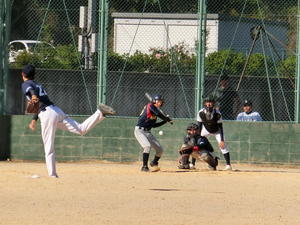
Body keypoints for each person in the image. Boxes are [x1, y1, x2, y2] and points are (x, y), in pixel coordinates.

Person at [21, 65, 116, 178]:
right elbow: (39, 102)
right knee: (81, 129)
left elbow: (31, 91)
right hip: (56, 110)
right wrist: (34, 120)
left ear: (23, 74)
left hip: (47, 114)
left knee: (48, 146)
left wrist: (33, 96)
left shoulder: (25, 84)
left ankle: (52, 175)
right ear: (33, 74)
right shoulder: (37, 83)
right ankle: (100, 113)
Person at [134, 94, 172, 172]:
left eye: (161, 102)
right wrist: (166, 118)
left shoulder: (154, 114)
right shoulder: (150, 106)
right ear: (154, 101)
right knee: (147, 146)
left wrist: (165, 121)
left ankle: (154, 162)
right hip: (140, 131)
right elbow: (158, 113)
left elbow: (154, 125)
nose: (160, 103)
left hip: (147, 132)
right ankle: (144, 167)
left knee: (160, 150)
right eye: (158, 101)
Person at [197, 96, 232, 170]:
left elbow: (221, 127)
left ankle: (228, 165)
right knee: (198, 144)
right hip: (205, 130)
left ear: (213, 104)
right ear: (204, 103)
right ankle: (193, 164)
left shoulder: (217, 113)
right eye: (207, 102)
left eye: (210, 102)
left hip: (216, 130)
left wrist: (222, 140)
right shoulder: (201, 112)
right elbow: (199, 126)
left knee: (223, 146)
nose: (209, 104)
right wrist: (198, 137)